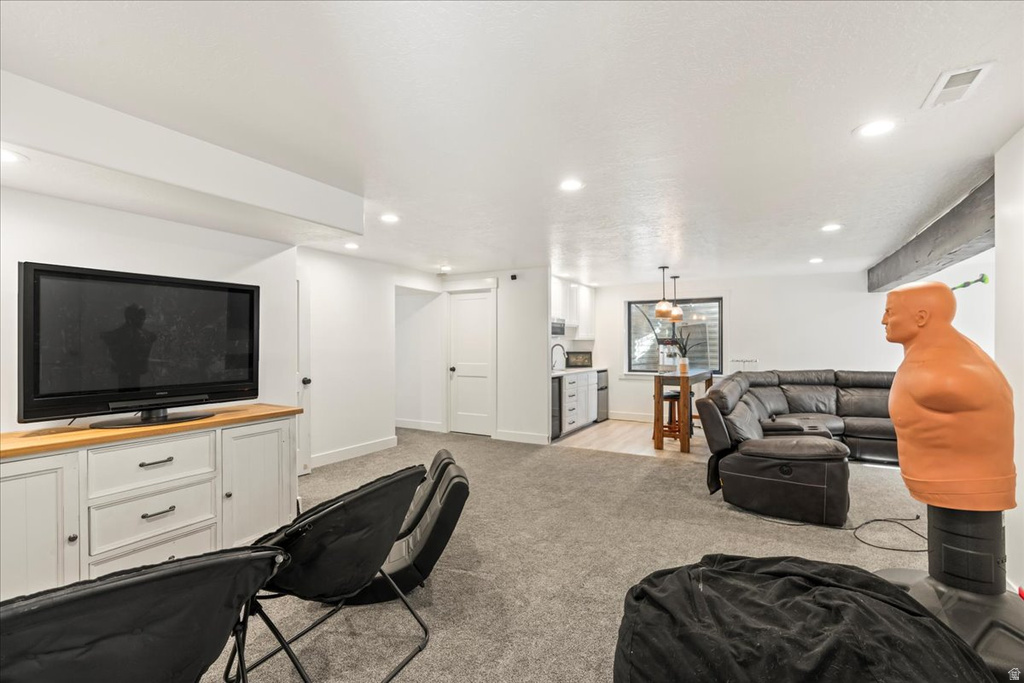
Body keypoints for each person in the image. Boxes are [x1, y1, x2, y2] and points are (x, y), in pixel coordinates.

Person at [882, 281, 1016, 511]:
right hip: (951, 483)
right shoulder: (941, 360)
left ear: (921, 317)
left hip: (966, 487)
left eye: (889, 312)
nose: (884, 320)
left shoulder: (945, 372)